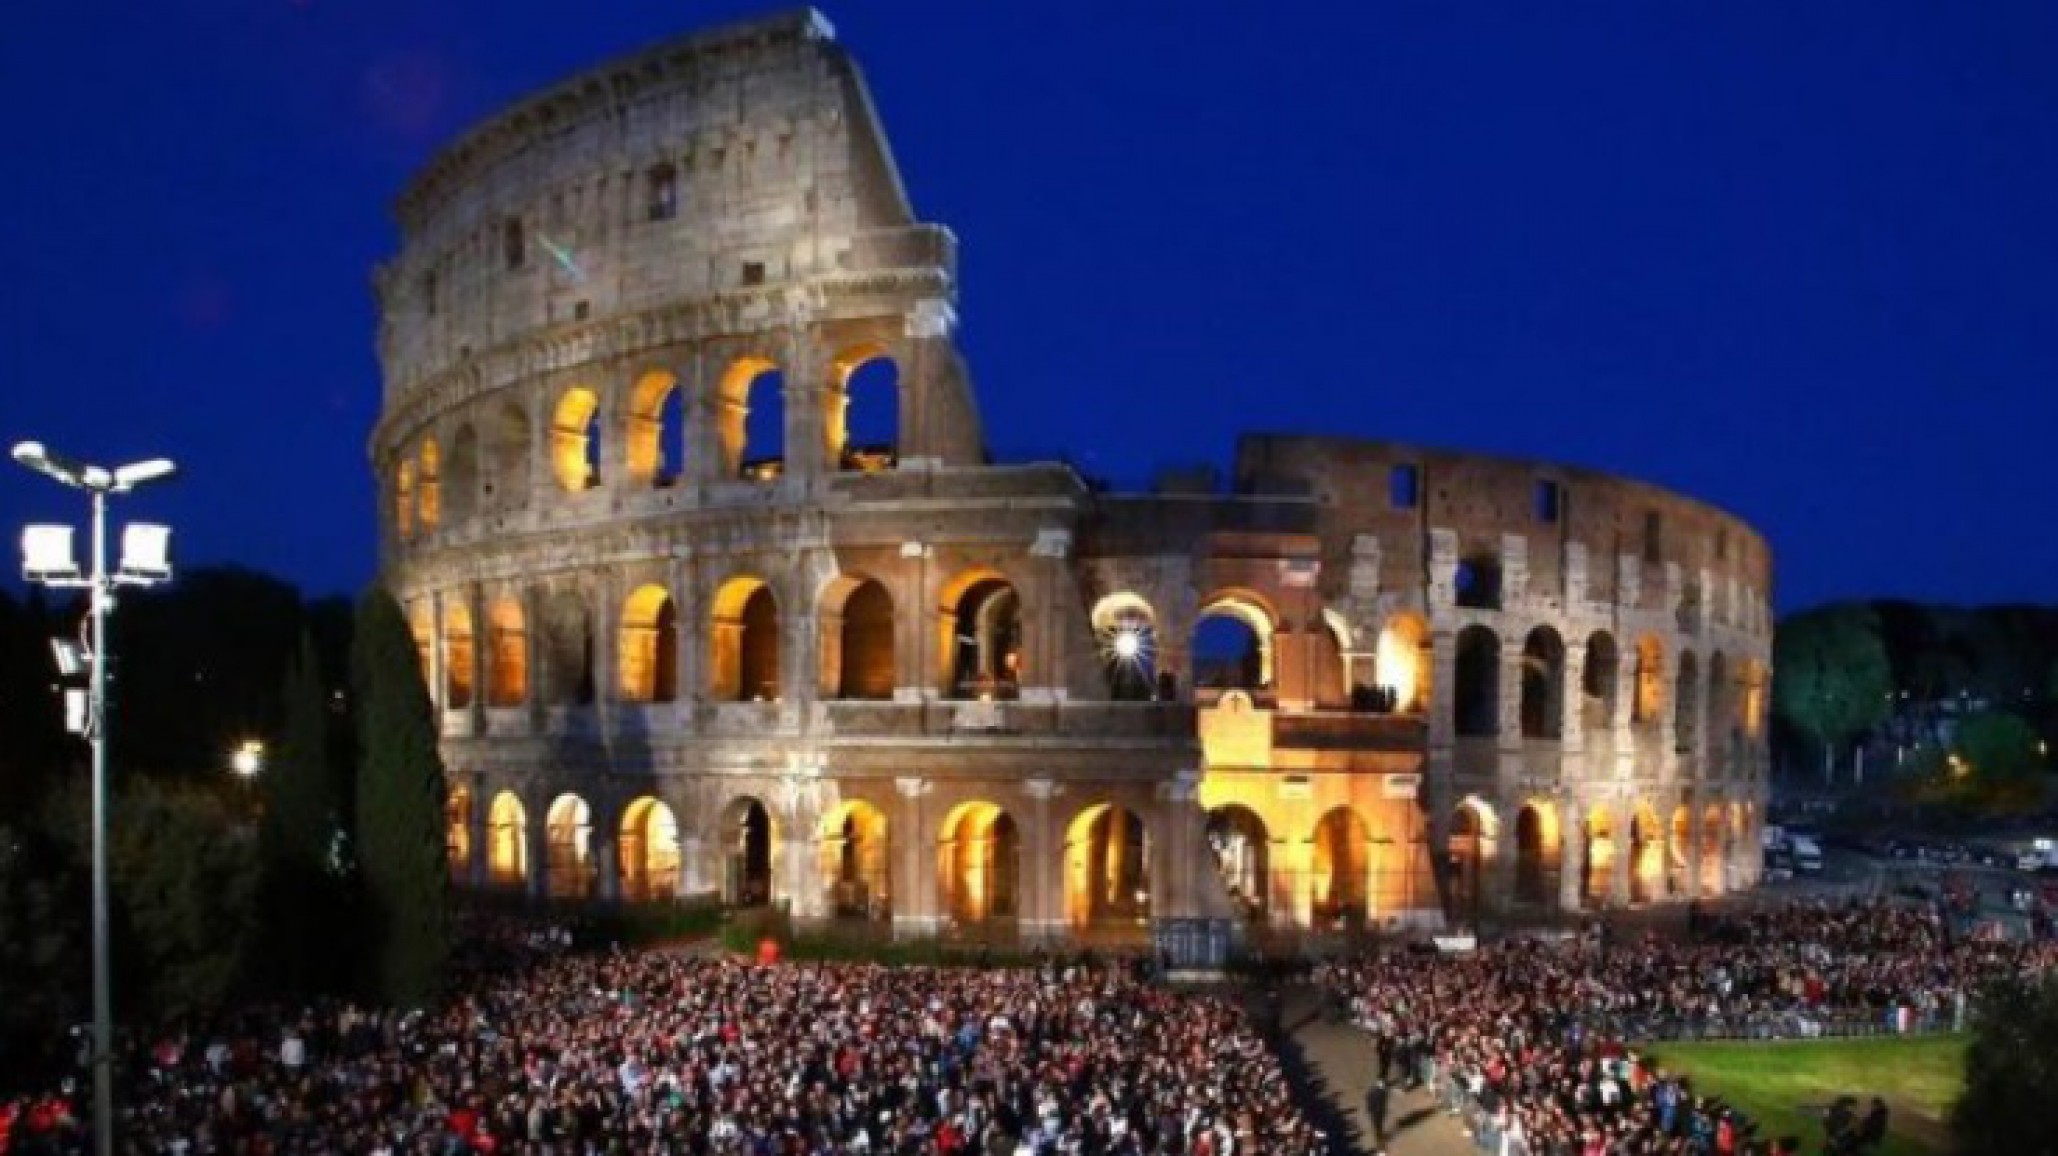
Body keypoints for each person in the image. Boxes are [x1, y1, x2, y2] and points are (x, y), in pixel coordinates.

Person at [1366, 1078, 1390, 1150]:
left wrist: (1369, 1110)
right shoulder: (1383, 1093)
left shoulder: (1370, 1093)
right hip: (1378, 1112)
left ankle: (1379, 1137)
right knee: (1378, 1126)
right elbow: (1383, 1103)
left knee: (1377, 1126)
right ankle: (1379, 1140)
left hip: (1375, 1113)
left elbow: (1369, 1103)